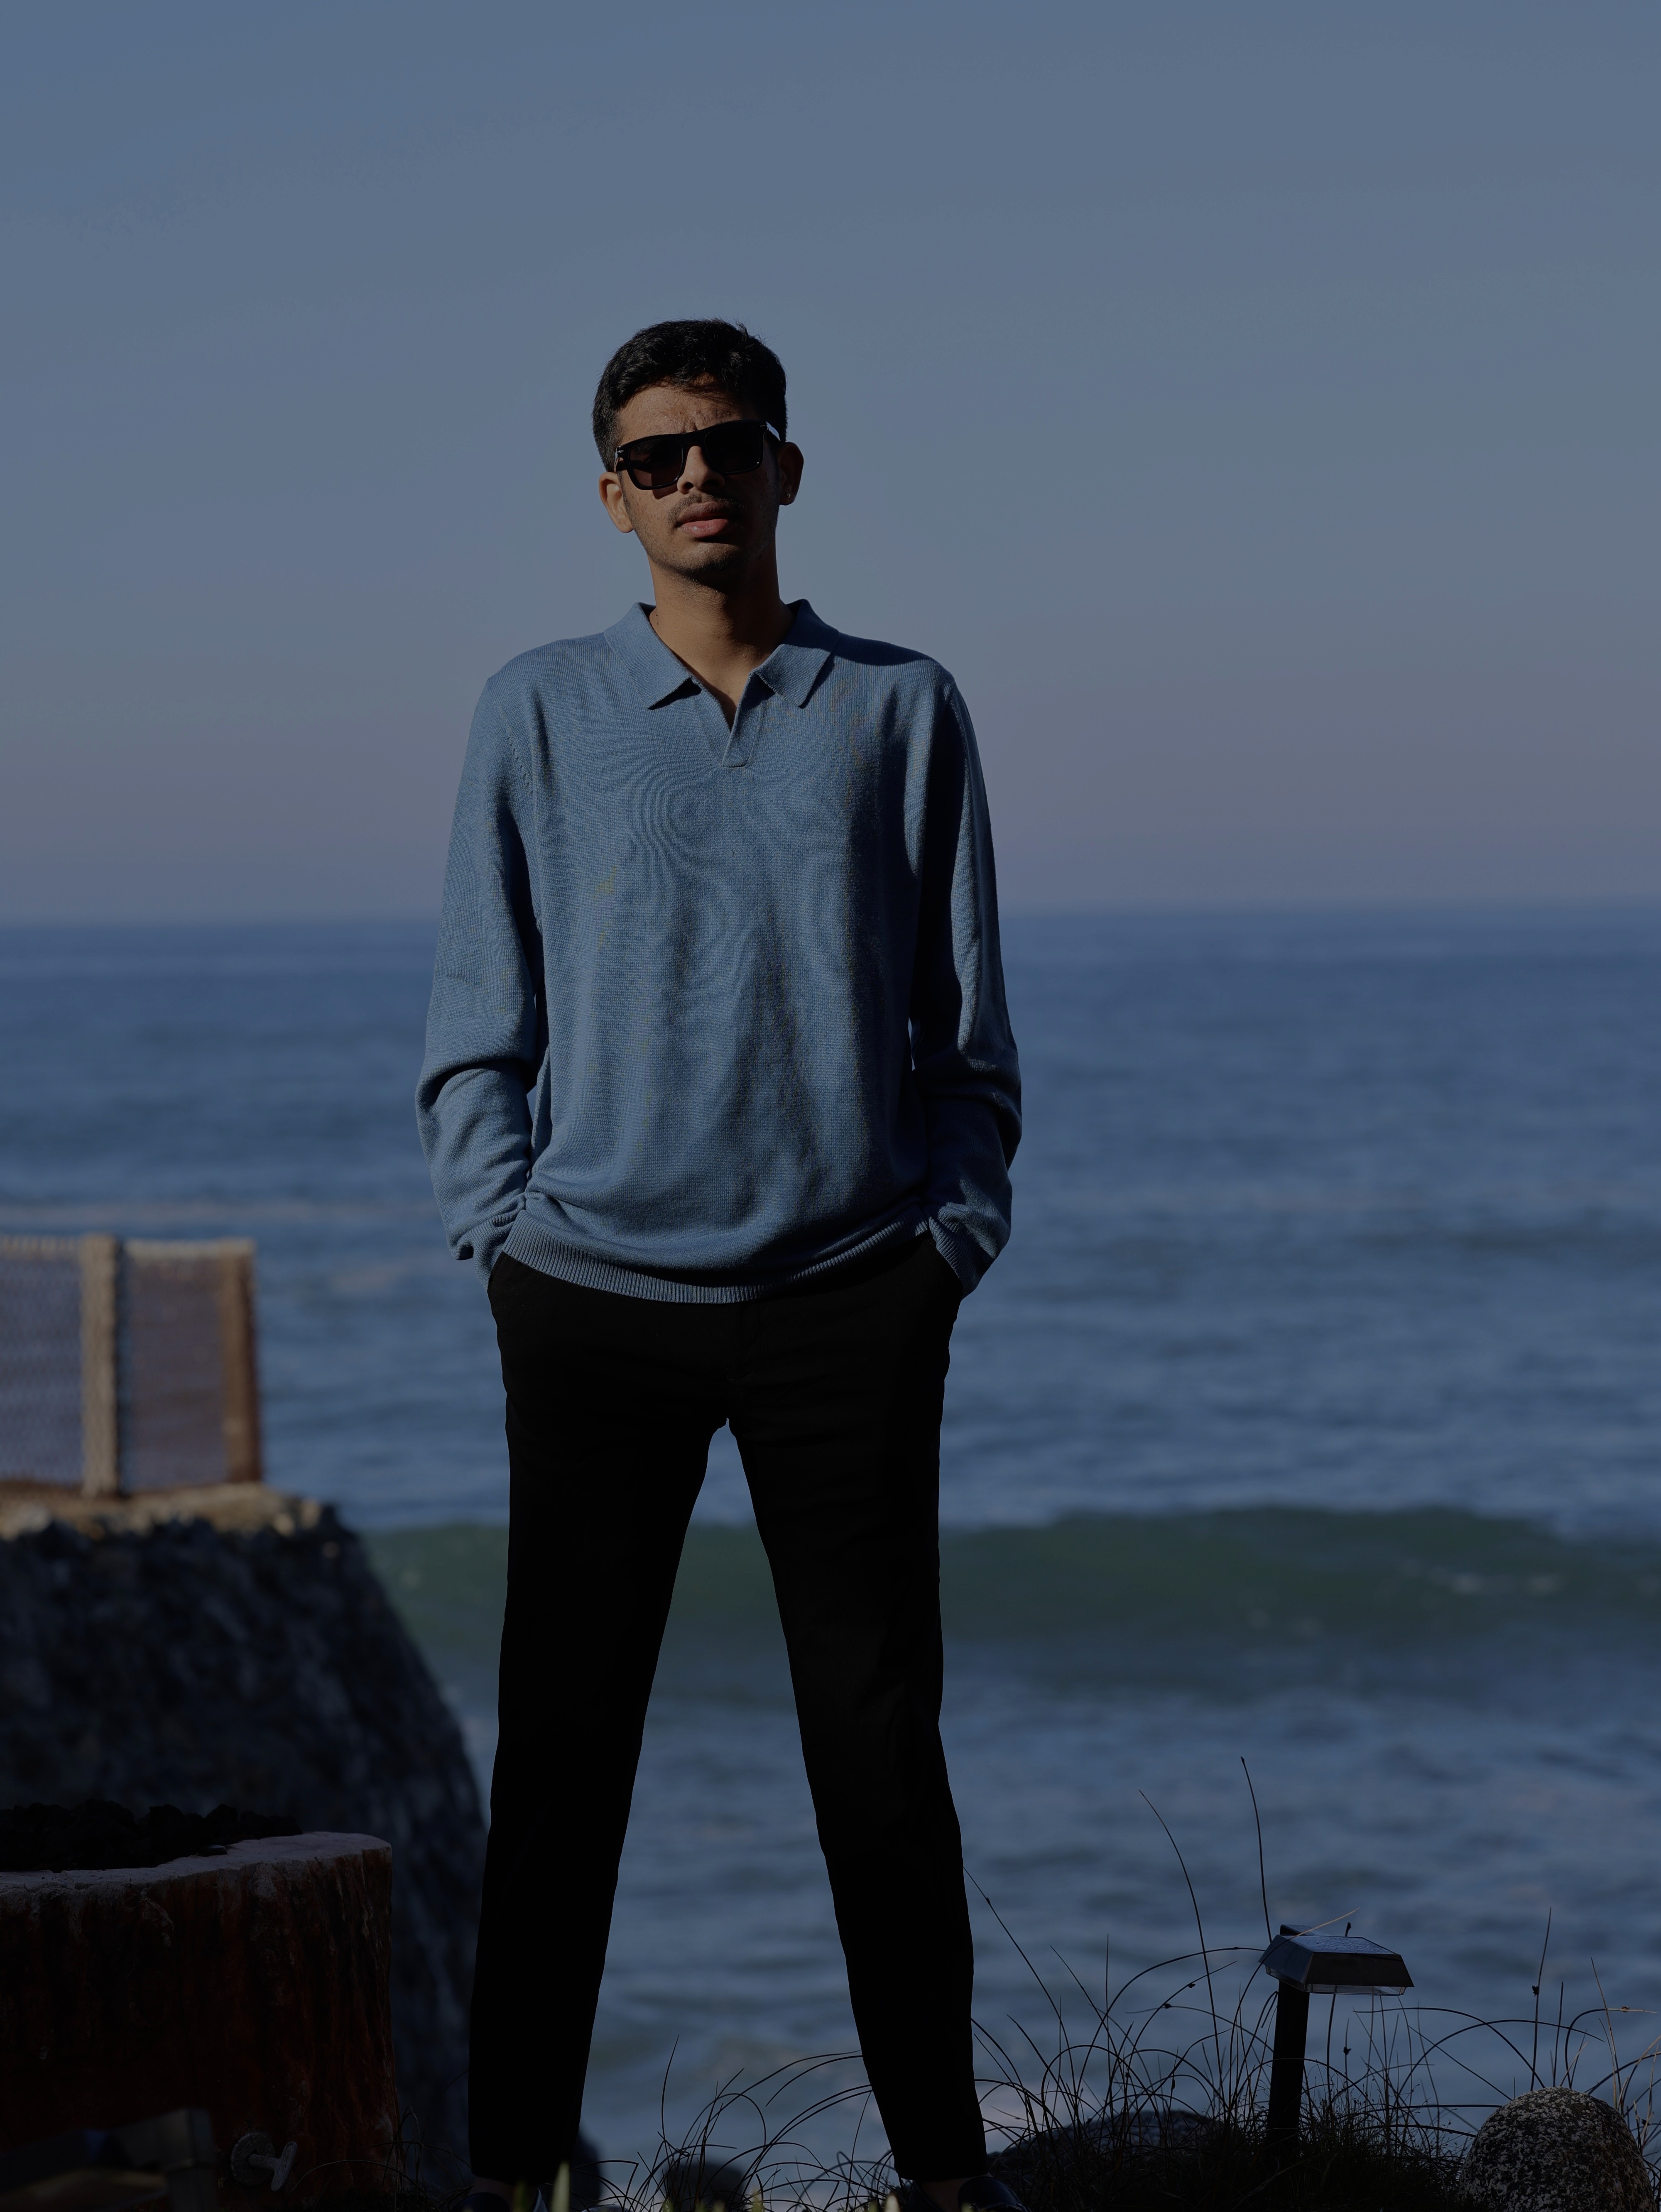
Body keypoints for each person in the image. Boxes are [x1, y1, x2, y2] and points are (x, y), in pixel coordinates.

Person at [416, 318, 1022, 2212]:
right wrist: (500, 1232)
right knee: (567, 1755)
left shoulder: (904, 708)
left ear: (785, 471)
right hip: (591, 1303)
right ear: (613, 495)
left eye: (731, 446)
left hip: (852, 1300)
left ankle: (943, 2175)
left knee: (877, 1755)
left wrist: (949, 1238)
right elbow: (473, 1026)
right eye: (662, 456)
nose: (700, 479)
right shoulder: (533, 710)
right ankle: (516, 2176)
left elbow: (967, 1036)